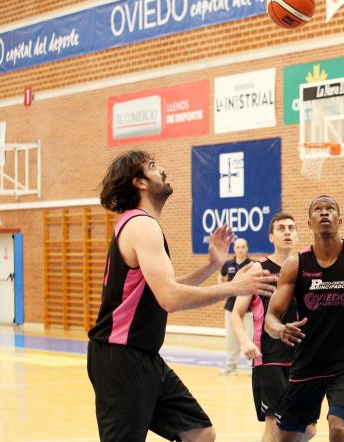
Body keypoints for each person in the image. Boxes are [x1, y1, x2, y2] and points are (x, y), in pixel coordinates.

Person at [87, 151, 276, 442]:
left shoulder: (141, 224)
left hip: (143, 357)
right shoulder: (141, 225)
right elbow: (171, 299)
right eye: (153, 167)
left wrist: (212, 266)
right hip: (120, 359)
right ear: (139, 182)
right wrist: (235, 287)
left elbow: (166, 287)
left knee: (200, 434)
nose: (162, 169)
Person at [264, 195, 344, 442]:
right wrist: (280, 330)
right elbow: (272, 316)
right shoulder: (295, 265)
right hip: (308, 362)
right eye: (318, 209)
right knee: (286, 436)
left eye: (330, 208)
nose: (324, 212)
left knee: (339, 428)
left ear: (339, 220)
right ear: (309, 223)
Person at [231, 212, 316, 442]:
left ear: (297, 234)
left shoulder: (307, 268)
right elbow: (236, 314)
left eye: (291, 228)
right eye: (281, 228)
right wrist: (245, 341)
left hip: (303, 358)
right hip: (269, 357)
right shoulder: (258, 269)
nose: (287, 232)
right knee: (275, 425)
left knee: (308, 429)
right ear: (271, 237)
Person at [219, 237, 254, 375]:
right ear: (234, 249)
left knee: (250, 337)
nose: (240, 250)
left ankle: (253, 367)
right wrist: (222, 288)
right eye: (238, 247)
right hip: (230, 308)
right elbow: (221, 276)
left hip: (249, 309)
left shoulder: (252, 265)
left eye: (243, 247)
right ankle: (231, 366)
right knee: (231, 338)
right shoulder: (228, 264)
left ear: (247, 249)